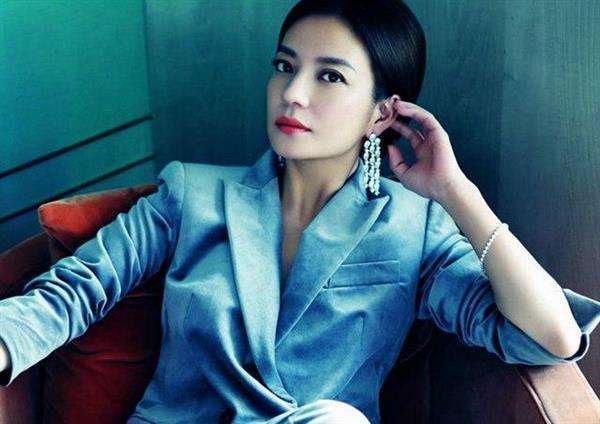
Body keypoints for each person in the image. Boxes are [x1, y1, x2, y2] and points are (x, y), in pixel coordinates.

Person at [1, 1, 600, 423]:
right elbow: (74, 292)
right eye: (285, 66)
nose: (292, 93)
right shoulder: (192, 194)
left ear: (382, 114)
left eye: (329, 76)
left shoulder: (415, 229)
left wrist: (456, 192)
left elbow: (551, 337)